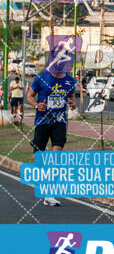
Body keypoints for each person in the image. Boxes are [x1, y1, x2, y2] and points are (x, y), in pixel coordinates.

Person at [27, 66, 76, 207]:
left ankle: (49, 195)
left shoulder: (70, 80)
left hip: (59, 121)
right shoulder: (41, 78)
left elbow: (71, 97)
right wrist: (37, 105)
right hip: (42, 121)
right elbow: (29, 96)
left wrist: (72, 103)